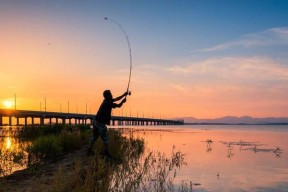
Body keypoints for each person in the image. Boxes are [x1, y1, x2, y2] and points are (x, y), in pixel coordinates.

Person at [87, 90, 129, 157]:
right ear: (108, 95)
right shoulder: (108, 103)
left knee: (94, 137)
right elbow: (118, 105)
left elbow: (116, 99)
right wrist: (123, 102)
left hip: (95, 121)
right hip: (100, 123)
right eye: (110, 94)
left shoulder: (106, 100)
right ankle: (106, 153)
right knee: (106, 139)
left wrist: (124, 94)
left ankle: (89, 151)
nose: (112, 95)